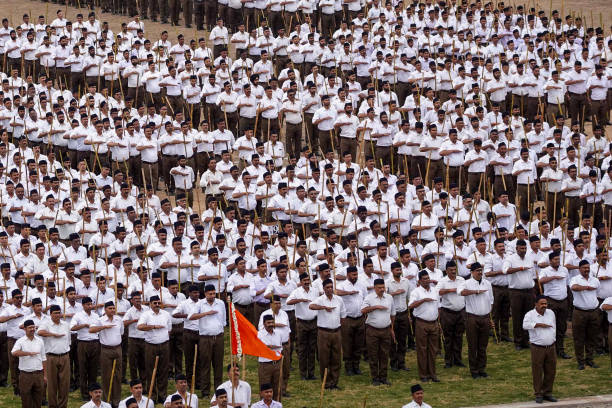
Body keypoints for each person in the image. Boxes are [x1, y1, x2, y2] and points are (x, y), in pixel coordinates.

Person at [188, 284, 226, 397]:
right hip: (205, 338)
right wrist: (206, 313)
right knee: (205, 365)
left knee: (218, 365)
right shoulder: (200, 304)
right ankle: (205, 391)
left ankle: (218, 391)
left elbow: (223, 320)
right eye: (210, 294)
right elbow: (191, 316)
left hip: (218, 337)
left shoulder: (220, 303)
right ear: (205, 294)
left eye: (214, 293)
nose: (212, 296)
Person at [309, 278, 346, 390]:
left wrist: (340, 328)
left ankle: (334, 382)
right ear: (324, 289)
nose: (330, 289)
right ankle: (326, 382)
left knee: (336, 358)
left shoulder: (339, 300)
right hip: (324, 332)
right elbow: (311, 306)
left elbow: (343, 315)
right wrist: (323, 307)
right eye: (327, 288)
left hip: (336, 331)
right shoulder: (320, 299)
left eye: (331, 287)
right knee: (324, 358)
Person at [458, 262, 494, 378]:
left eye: (481, 270)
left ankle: (482, 369)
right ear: (472, 272)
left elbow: (491, 301)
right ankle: (474, 370)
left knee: (483, 345)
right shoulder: (466, 283)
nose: (480, 272)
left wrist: (490, 317)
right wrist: (476, 292)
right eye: (477, 270)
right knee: (473, 345)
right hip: (472, 317)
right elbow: (460, 292)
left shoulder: (487, 283)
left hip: (485, 317)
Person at [523, 295, 558, 404]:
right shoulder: (530, 314)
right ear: (536, 304)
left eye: (545, 304)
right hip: (538, 348)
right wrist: (538, 324)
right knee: (537, 371)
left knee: (551, 371)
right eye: (542, 304)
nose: (544, 306)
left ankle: (547, 392)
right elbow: (525, 325)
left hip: (551, 347)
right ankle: (538, 394)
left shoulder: (551, 313)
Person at [137, 295, 172, 403]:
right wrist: (153, 326)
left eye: (158, 303)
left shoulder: (166, 314)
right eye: (155, 303)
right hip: (150, 346)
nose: (157, 305)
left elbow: (169, 329)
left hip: (164, 345)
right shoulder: (146, 315)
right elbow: (140, 326)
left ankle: (162, 395)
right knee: (150, 370)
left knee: (163, 370)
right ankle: (152, 395)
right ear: (150, 304)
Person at [361, 278, 395, 386]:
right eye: (379, 288)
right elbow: (363, 310)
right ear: (374, 288)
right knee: (373, 354)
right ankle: (375, 377)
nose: (381, 289)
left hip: (385, 329)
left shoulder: (389, 298)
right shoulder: (369, 298)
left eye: (383, 287)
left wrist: (391, 328)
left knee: (385, 354)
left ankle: (383, 377)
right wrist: (375, 307)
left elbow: (393, 314)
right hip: (372, 330)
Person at [409, 271, 440, 382]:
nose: (427, 280)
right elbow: (411, 305)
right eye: (425, 279)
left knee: (433, 350)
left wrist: (438, 322)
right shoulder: (416, 292)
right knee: (422, 349)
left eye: (428, 278)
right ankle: (423, 375)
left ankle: (432, 373)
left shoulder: (435, 291)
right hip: (422, 323)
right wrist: (423, 300)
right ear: (419, 281)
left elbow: (438, 306)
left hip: (434, 323)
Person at [37, 304, 71, 408]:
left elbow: (69, 340)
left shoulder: (65, 325)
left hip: (64, 356)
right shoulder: (46, 324)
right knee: (52, 384)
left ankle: (63, 405)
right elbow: (40, 332)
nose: (57, 315)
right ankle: (52, 405)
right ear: (50, 314)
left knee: (64, 384)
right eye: (55, 313)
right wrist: (54, 335)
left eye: (59, 313)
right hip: (51, 357)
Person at [570, 259, 601, 370]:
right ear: (579, 269)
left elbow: (597, 292)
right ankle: (580, 361)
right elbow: (574, 288)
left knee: (592, 337)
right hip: (580, 312)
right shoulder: (575, 279)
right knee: (579, 338)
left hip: (593, 312)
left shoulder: (595, 280)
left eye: (588, 267)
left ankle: (590, 359)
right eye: (584, 268)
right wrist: (586, 287)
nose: (587, 269)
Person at [11, 319, 46, 408]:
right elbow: (14, 352)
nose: (32, 329)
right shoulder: (20, 341)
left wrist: (45, 375)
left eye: (33, 327)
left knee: (38, 400)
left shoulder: (40, 341)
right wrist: (27, 353)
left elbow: (44, 358)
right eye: (30, 327)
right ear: (25, 329)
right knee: (26, 400)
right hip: (26, 375)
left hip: (38, 374)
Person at [256, 314, 283, 401]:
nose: (271, 324)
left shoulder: (278, 334)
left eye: (272, 322)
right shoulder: (259, 335)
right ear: (264, 324)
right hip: (265, 365)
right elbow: (259, 349)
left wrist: (269, 347)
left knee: (277, 388)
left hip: (277, 364)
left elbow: (280, 348)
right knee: (265, 389)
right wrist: (269, 347)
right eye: (268, 323)